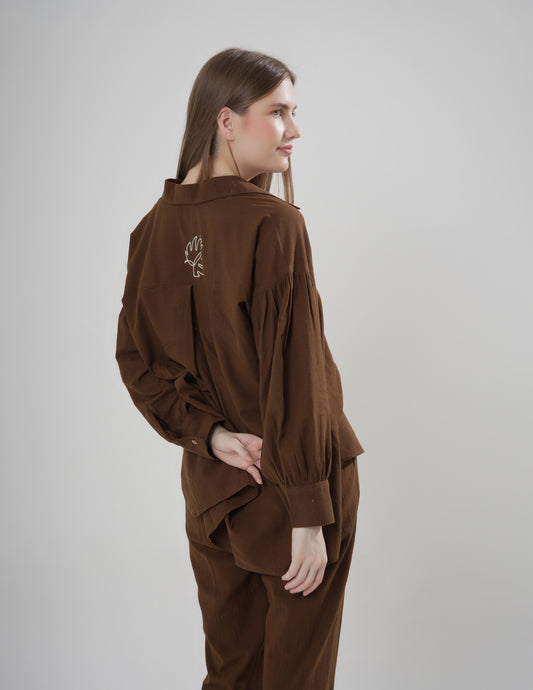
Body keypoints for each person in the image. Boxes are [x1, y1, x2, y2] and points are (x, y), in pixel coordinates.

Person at [115, 47, 365, 690]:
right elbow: (297, 376)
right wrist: (309, 513)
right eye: (278, 112)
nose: (294, 129)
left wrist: (211, 436)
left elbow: (136, 363)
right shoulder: (274, 224)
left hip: (214, 490)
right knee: (294, 678)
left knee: (231, 673)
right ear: (226, 121)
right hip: (292, 490)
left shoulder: (151, 230)